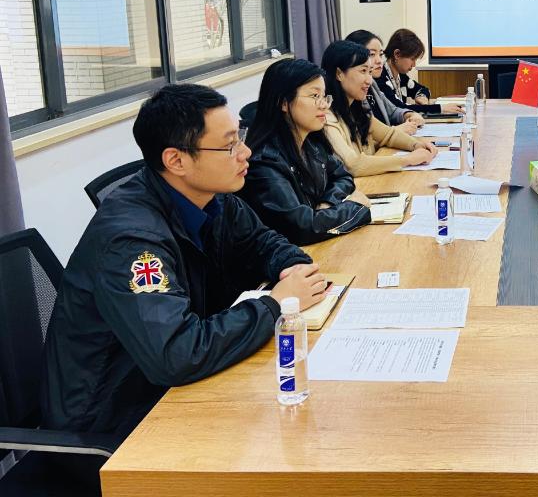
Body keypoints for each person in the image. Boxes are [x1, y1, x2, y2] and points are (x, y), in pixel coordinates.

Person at [41, 84, 328, 451]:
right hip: (112, 427)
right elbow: (177, 354)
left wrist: (292, 268)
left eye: (240, 136)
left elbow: (263, 242)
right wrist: (274, 305)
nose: (246, 152)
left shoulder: (212, 197)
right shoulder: (132, 242)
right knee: (290, 443)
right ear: (176, 161)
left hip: (171, 389)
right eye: (229, 145)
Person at [236, 58, 371, 245]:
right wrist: (354, 208)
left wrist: (328, 203)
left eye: (324, 96)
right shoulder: (264, 162)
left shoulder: (311, 143)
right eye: (315, 96)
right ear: (284, 103)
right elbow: (303, 227)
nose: (324, 105)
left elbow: (342, 176)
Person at [321, 39, 438, 175]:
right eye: (363, 71)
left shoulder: (355, 108)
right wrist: (408, 160)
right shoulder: (326, 117)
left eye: (369, 72)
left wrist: (416, 145)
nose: (369, 80)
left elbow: (388, 135)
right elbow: (353, 165)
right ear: (339, 74)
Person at [345, 29, 422, 133]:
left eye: (380, 55)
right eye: (372, 54)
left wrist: (409, 114)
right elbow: (365, 136)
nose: (379, 61)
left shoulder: (372, 84)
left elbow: (392, 111)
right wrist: (395, 131)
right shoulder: (353, 93)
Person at [380, 28, 463, 114]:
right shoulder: (381, 79)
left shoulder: (400, 76)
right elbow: (401, 107)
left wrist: (422, 97)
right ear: (397, 54)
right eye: (412, 59)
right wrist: (440, 108)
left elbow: (423, 89)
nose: (414, 65)